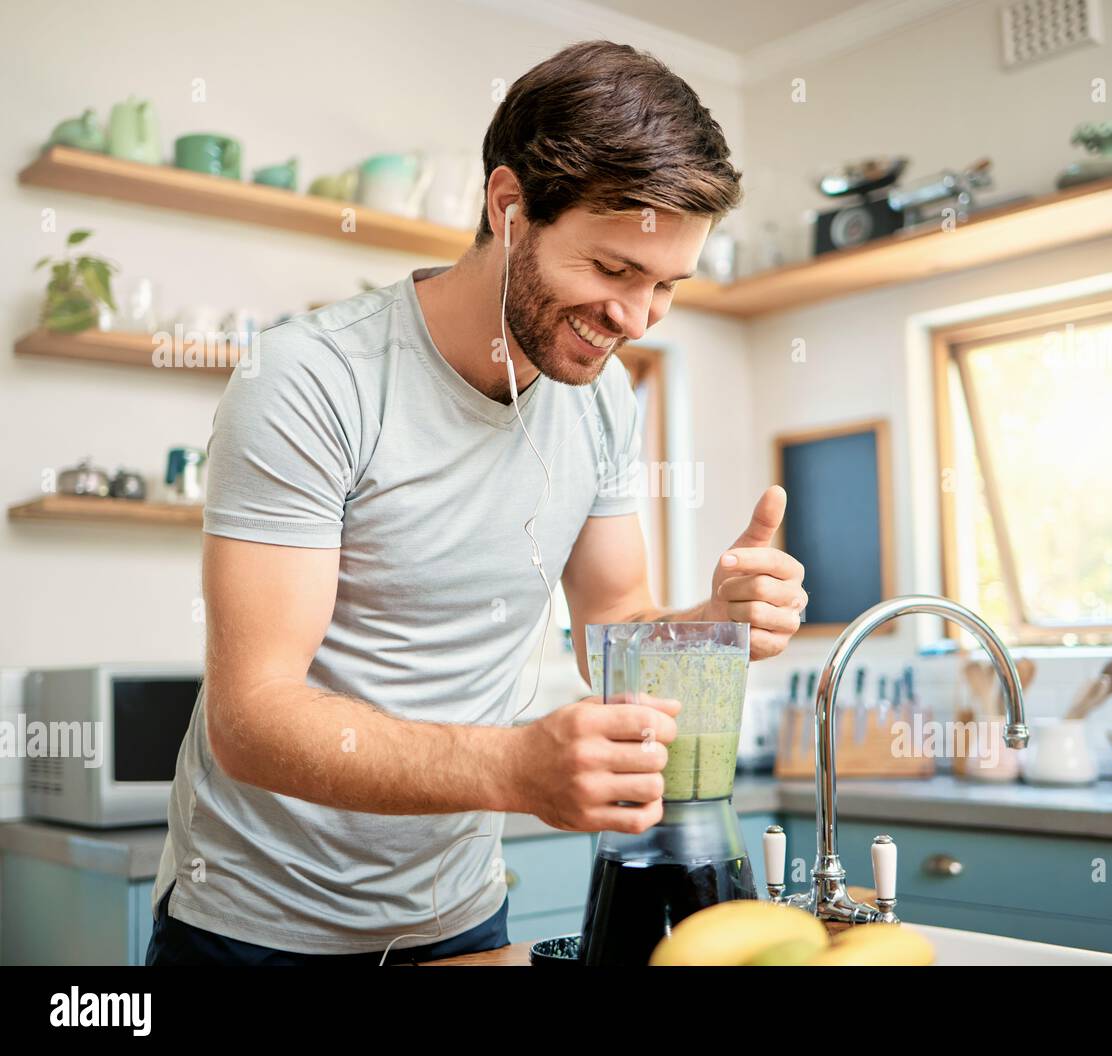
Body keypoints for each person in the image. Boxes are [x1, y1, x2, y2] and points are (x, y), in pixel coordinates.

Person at [147, 39, 806, 966]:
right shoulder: (311, 380)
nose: (638, 318)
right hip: (255, 930)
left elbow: (613, 627)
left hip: (457, 919)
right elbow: (252, 719)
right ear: (509, 206)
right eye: (614, 271)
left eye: (665, 286)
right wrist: (513, 769)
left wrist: (715, 622)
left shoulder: (602, 398)